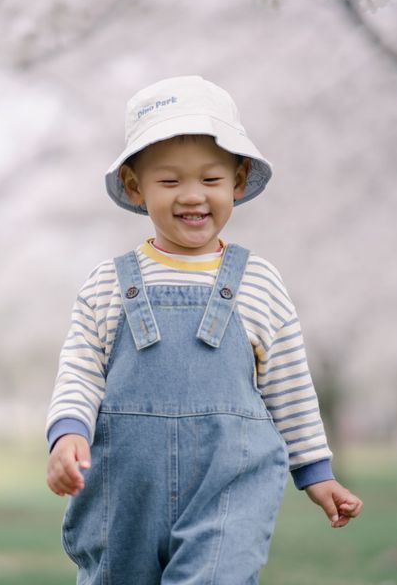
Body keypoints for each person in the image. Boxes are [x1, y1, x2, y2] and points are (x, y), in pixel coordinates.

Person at [45, 76, 363, 584]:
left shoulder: (259, 282)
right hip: (127, 493)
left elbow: (290, 386)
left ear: (237, 182)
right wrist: (67, 434)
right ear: (134, 186)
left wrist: (315, 472)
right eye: (169, 182)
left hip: (228, 489)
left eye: (211, 180)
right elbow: (79, 373)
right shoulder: (107, 283)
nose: (192, 196)